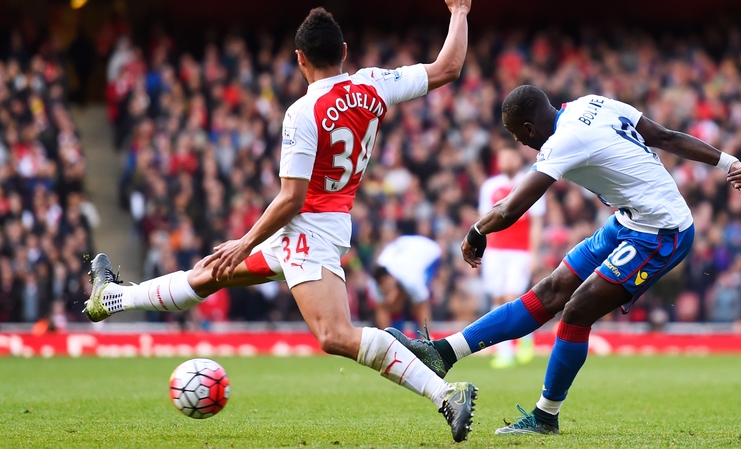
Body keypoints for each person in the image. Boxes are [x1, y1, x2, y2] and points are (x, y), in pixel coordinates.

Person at [84, 3, 478, 442]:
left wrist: (245, 240)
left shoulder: (303, 112)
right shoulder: (374, 84)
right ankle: (112, 297)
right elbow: (448, 68)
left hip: (309, 229)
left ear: (299, 58)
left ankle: (445, 391)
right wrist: (459, 11)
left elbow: (291, 198)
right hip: (318, 225)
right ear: (344, 51)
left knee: (333, 334)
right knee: (207, 276)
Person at [388, 85, 741, 436]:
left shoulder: (563, 142)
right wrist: (728, 162)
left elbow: (512, 207)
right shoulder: (592, 102)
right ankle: (443, 352)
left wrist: (476, 232)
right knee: (551, 290)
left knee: (577, 309)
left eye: (519, 136)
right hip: (628, 221)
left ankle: (545, 416)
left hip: (662, 232)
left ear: (530, 128)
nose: (521, 143)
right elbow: (666, 136)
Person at [477, 146, 545, 369]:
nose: (506, 161)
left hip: (519, 252)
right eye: (502, 157)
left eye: (510, 157)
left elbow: (536, 222)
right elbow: (484, 220)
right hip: (495, 251)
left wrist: (534, 254)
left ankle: (525, 339)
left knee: (512, 296)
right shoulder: (490, 186)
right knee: (497, 299)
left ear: (518, 159)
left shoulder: (531, 183)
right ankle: (504, 352)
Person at [371, 234, 442, 331]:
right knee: (391, 303)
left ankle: (420, 336)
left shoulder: (411, 279)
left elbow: (423, 306)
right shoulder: (375, 282)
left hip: (428, 249)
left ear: (391, 278)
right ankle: (394, 333)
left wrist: (426, 339)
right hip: (403, 246)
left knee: (416, 301)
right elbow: (381, 309)